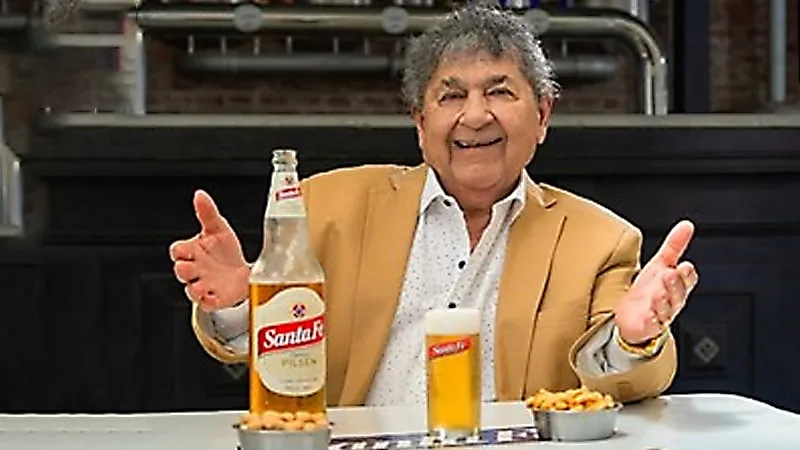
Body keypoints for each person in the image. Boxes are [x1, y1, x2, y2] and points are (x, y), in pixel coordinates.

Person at [169, 3, 698, 408]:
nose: (476, 116)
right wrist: (241, 304)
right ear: (421, 124)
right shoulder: (325, 208)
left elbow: (626, 379)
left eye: (499, 92)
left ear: (542, 115)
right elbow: (274, 351)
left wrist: (631, 338)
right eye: (451, 96)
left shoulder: (600, 241)